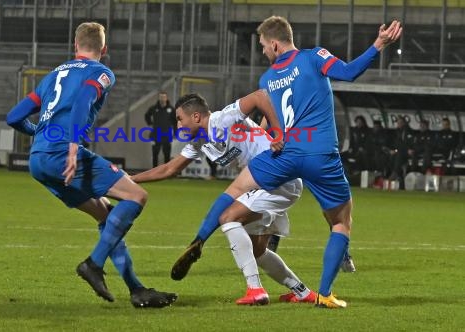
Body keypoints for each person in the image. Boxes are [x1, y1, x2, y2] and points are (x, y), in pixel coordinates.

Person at [172, 17, 402, 308]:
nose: (263, 52)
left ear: (276, 44)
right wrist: (378, 44)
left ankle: (199, 239)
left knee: (234, 189)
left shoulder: (268, 79)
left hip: (285, 155)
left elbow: (273, 115)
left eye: (263, 46)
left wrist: (270, 134)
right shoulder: (314, 57)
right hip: (320, 155)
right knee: (341, 223)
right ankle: (325, 294)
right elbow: (349, 72)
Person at [6, 22, 176, 308]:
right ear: (104, 49)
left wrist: (41, 134)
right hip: (63, 153)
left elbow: (13, 117)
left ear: (75, 46)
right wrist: (72, 147)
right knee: (136, 196)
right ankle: (93, 264)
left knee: (107, 217)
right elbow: (84, 100)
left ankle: (137, 290)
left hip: (38, 159)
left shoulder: (53, 75)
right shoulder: (101, 73)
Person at [132, 93, 317, 305]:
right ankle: (301, 291)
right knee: (257, 250)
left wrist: (277, 133)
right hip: (264, 184)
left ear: (196, 116)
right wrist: (131, 178)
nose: (178, 124)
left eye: (180, 118)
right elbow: (169, 169)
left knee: (228, 218)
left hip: (278, 177)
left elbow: (260, 96)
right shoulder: (200, 141)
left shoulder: (223, 119)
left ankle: (255, 290)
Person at [144, 91, 176, 167]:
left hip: (166, 135)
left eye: (164, 97)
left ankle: (166, 172)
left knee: (167, 154)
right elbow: (147, 115)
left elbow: (175, 121)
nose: (162, 99)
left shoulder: (171, 109)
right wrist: (150, 124)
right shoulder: (154, 108)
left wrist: (175, 133)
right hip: (156, 134)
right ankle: (154, 171)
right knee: (155, 154)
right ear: (159, 98)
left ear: (166, 98)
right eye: (161, 97)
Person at [388, 116, 415, 187]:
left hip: (407, 152)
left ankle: (395, 173)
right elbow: (394, 143)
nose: (399, 124)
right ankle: (396, 174)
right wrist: (393, 150)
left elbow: (409, 143)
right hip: (399, 151)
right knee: (391, 155)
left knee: (399, 155)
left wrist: (408, 149)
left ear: (404, 123)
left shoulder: (408, 131)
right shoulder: (396, 132)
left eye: (400, 123)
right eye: (398, 123)